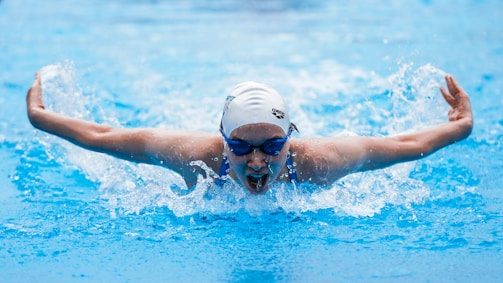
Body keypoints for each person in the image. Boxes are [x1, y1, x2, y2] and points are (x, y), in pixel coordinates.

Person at [26, 73, 473, 194]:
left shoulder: (319, 161)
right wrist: (41, 118)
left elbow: (404, 145)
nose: (258, 161)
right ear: (222, 141)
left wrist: (461, 128)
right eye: (241, 147)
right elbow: (105, 136)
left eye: (272, 146)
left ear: (290, 138)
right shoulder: (195, 156)